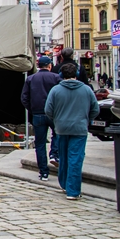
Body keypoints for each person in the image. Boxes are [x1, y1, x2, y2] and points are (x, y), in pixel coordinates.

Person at [45, 63, 99, 200]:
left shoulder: (55, 90)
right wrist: (86, 119)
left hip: (61, 128)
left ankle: (64, 184)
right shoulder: (86, 90)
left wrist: (57, 119)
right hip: (79, 128)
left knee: (63, 157)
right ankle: (73, 191)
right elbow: (95, 109)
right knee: (75, 158)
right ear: (77, 74)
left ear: (61, 75)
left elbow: (48, 110)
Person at [21, 56, 62, 181]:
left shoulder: (31, 79)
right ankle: (54, 154)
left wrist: (32, 109)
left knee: (40, 144)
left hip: (38, 114)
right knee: (58, 135)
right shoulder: (56, 78)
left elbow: (24, 98)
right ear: (49, 65)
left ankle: (44, 172)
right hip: (54, 113)